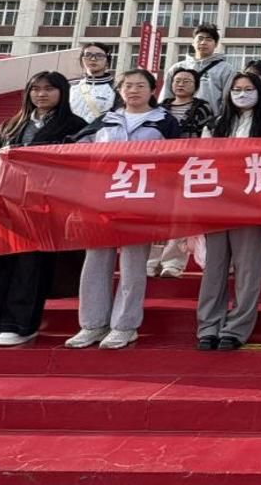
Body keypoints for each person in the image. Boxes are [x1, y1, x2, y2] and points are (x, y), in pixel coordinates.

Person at [0, 71, 87, 347]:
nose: (41, 94)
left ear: (62, 93)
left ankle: (20, 324)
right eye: (36, 89)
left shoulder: (75, 126)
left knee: (30, 265)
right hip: (2, 204)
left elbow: (77, 169)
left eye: (49, 89)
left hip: (41, 206)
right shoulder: (10, 125)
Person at [65, 69, 180, 350]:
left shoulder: (165, 122)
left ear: (152, 90)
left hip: (141, 203)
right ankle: (92, 324)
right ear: (119, 90)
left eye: (140, 85)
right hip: (101, 202)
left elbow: (177, 161)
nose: (133, 90)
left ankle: (125, 326)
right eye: (128, 85)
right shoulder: (105, 120)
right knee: (95, 263)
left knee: (133, 266)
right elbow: (76, 151)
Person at [196, 71, 261, 351]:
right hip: (218, 204)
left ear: (260, 92)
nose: (242, 94)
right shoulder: (215, 125)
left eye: (249, 89)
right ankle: (208, 325)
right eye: (236, 89)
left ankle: (237, 327)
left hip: (252, 206)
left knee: (248, 270)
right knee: (214, 268)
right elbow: (202, 163)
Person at [148, 68, 215, 278]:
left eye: (187, 81)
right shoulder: (159, 108)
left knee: (180, 215)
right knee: (156, 215)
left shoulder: (203, 108)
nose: (181, 84)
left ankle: (173, 262)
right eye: (177, 80)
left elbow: (207, 137)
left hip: (189, 166)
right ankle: (151, 261)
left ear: (196, 86)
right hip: (161, 167)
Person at [159, 23, 236, 115]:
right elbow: (166, 96)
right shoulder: (177, 68)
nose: (203, 43)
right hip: (176, 119)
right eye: (200, 39)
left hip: (209, 120)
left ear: (216, 44)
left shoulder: (226, 69)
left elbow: (228, 100)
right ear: (193, 42)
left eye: (209, 39)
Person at [69, 44, 118, 123]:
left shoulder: (117, 88)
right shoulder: (71, 86)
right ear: (82, 60)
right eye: (88, 55)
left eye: (99, 56)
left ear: (107, 61)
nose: (93, 59)